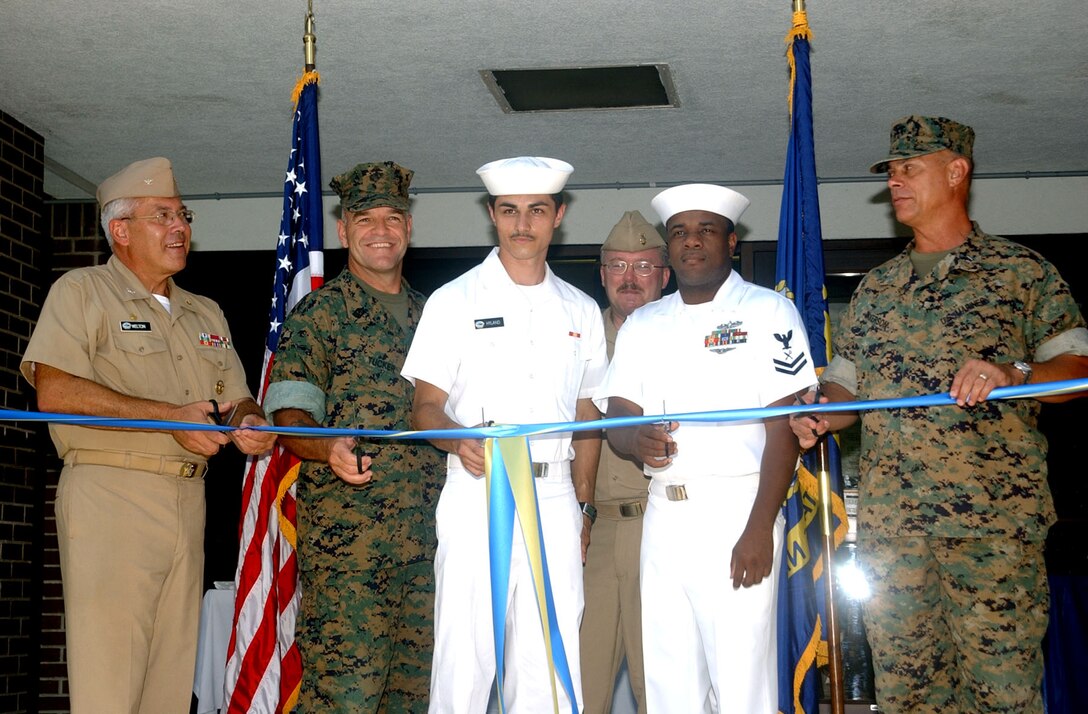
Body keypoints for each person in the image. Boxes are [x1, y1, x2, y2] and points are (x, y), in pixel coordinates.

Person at [791, 115, 1088, 713]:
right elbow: (849, 394)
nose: (896, 182)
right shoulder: (876, 290)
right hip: (895, 531)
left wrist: (1015, 374)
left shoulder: (1021, 273)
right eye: (892, 172)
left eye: (910, 169)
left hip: (993, 528)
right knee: (907, 695)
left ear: (956, 172)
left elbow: (1078, 372)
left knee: (1001, 693)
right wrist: (820, 412)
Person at [20, 157, 276, 713]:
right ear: (120, 231)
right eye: (161, 215)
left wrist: (251, 424)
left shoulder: (205, 311)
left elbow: (237, 400)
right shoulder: (82, 291)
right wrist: (171, 417)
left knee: (169, 680)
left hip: (189, 499)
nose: (179, 226)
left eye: (182, 214)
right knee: (110, 679)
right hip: (112, 496)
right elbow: (55, 392)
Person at [599, 184, 816, 712]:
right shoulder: (645, 323)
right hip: (664, 516)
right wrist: (637, 440)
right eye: (679, 233)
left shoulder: (769, 311)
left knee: (741, 684)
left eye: (705, 231)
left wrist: (760, 527)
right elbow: (618, 419)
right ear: (668, 248)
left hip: (738, 511)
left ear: (732, 241)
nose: (691, 242)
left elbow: (784, 427)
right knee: (671, 681)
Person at [402, 156, 607, 713]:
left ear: (558, 216)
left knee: (550, 659)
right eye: (510, 211)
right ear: (492, 215)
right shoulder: (453, 300)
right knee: (465, 661)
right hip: (479, 492)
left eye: (537, 210)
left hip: (555, 494)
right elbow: (425, 407)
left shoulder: (582, 309)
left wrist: (583, 507)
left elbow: (588, 417)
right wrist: (456, 437)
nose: (523, 224)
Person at [262, 161, 444, 711]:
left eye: (393, 218)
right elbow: (289, 416)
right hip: (352, 561)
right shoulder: (319, 317)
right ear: (344, 232)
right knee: (347, 701)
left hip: (429, 553)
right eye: (366, 220)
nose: (381, 232)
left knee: (415, 701)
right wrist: (328, 448)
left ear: (409, 228)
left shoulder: (436, 317)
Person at [580, 210, 669, 714]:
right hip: (592, 533)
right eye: (617, 266)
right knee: (579, 687)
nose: (629, 278)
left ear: (664, 275)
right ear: (602, 274)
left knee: (659, 687)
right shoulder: (576, 338)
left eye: (642, 266)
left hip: (661, 526)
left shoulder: (683, 337)